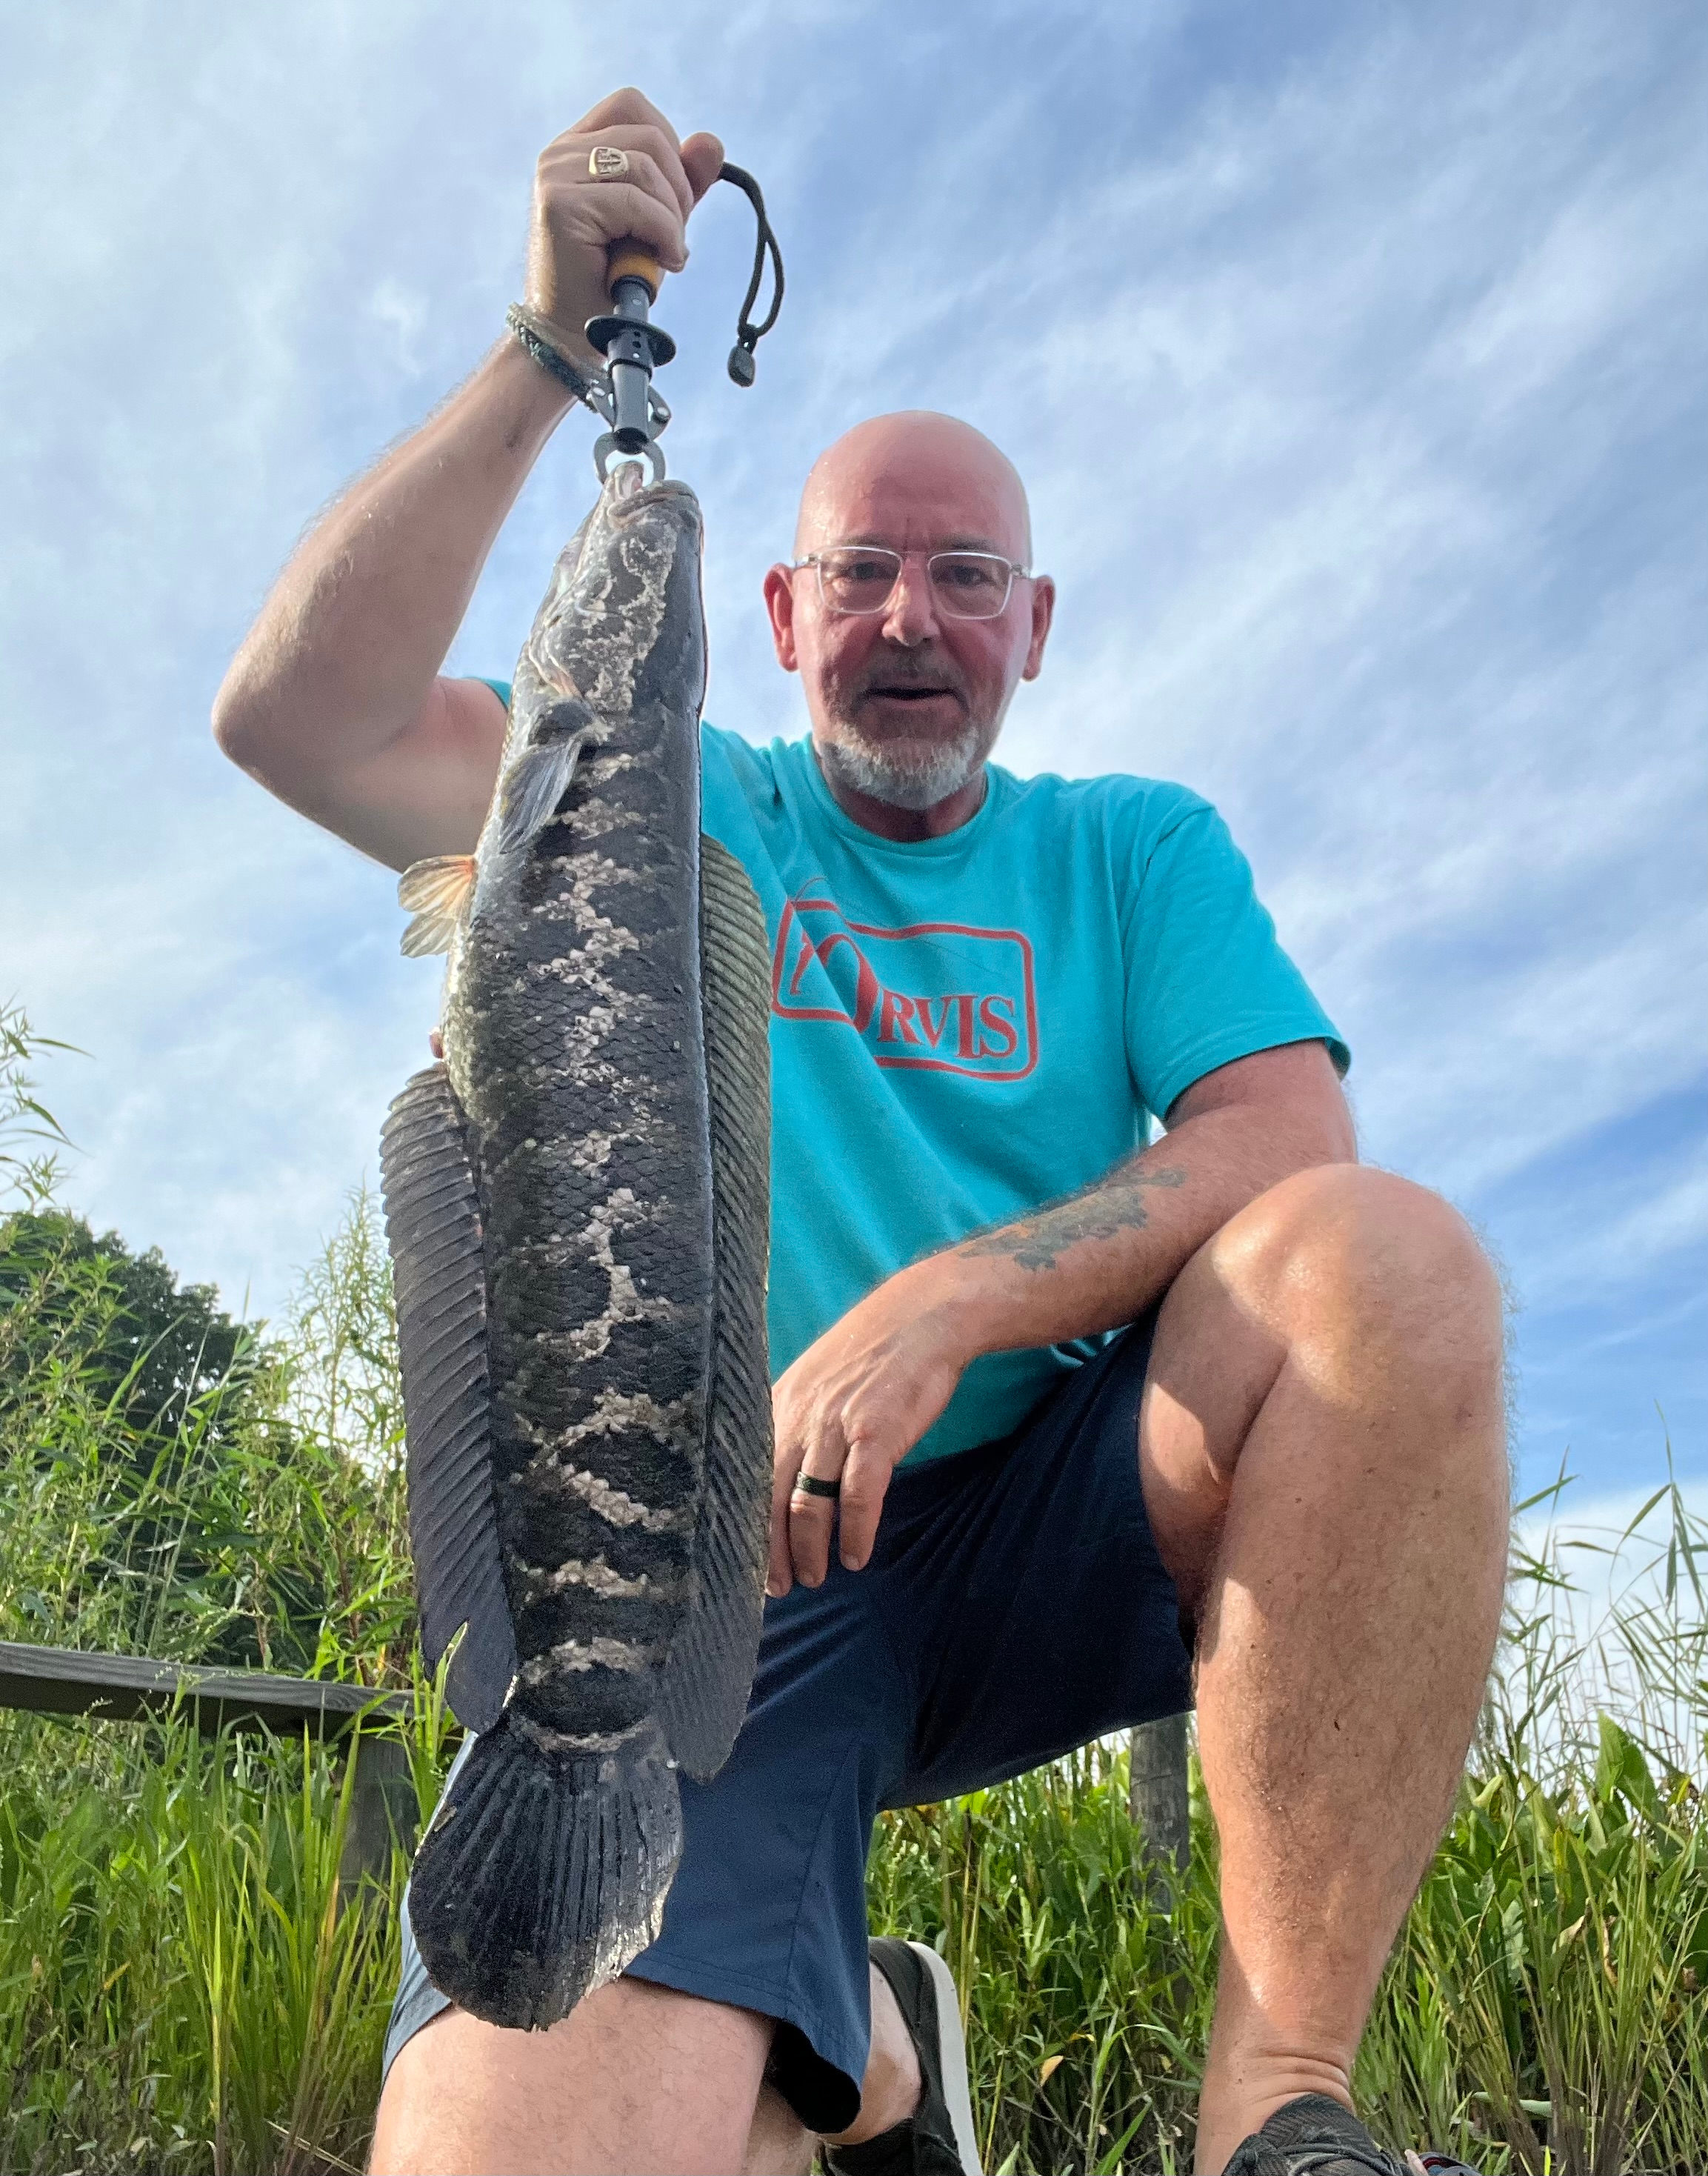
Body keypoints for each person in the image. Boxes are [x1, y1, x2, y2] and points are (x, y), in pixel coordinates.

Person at [213, 87, 1507, 2176]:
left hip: (1059, 1518)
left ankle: (1280, 2113)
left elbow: (1290, 1137)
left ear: (1032, 622)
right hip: (707, 1568)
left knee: (1389, 1264)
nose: (914, 616)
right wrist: (551, 346)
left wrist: (945, 1304)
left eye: (965, 575)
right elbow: (303, 718)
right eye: (863, 573)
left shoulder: (1132, 852)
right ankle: (868, 2059)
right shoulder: (643, 797)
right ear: (790, 620)